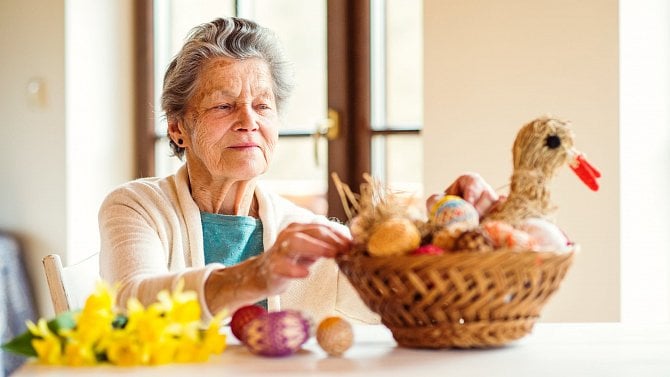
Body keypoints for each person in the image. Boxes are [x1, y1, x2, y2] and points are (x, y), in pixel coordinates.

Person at [98, 17, 500, 324]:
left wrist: (445, 232)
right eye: (223, 105)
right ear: (177, 127)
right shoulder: (135, 207)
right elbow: (129, 305)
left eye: (262, 105)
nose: (248, 121)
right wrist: (254, 276)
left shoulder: (302, 231)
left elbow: (402, 304)